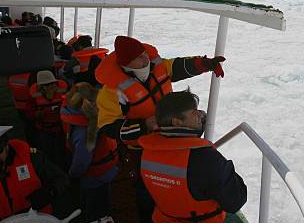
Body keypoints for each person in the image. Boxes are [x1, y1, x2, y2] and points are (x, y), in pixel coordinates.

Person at [139, 90, 246, 223]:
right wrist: (225, 168)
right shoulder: (205, 159)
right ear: (177, 121)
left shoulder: (147, 152)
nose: (201, 116)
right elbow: (235, 201)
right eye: (194, 113)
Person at [95, 35, 226, 147]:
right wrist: (144, 125)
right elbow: (108, 127)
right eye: (139, 58)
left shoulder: (157, 66)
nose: (146, 59)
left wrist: (204, 64)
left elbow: (178, 66)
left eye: (145, 53)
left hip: (169, 132)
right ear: (127, 63)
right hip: (140, 145)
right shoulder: (111, 92)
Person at [60, 83, 118, 222]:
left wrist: (72, 175)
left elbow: (81, 160)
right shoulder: (91, 127)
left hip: (95, 176)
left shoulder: (78, 127)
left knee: (96, 207)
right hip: (101, 174)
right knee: (101, 205)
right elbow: (83, 159)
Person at [26, 71, 68, 166]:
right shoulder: (34, 97)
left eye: (52, 83)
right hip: (44, 130)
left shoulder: (63, 92)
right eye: (47, 84)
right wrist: (38, 114)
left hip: (60, 129)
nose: (50, 86)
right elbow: (29, 112)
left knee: (61, 152)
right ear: (41, 87)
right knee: (47, 152)